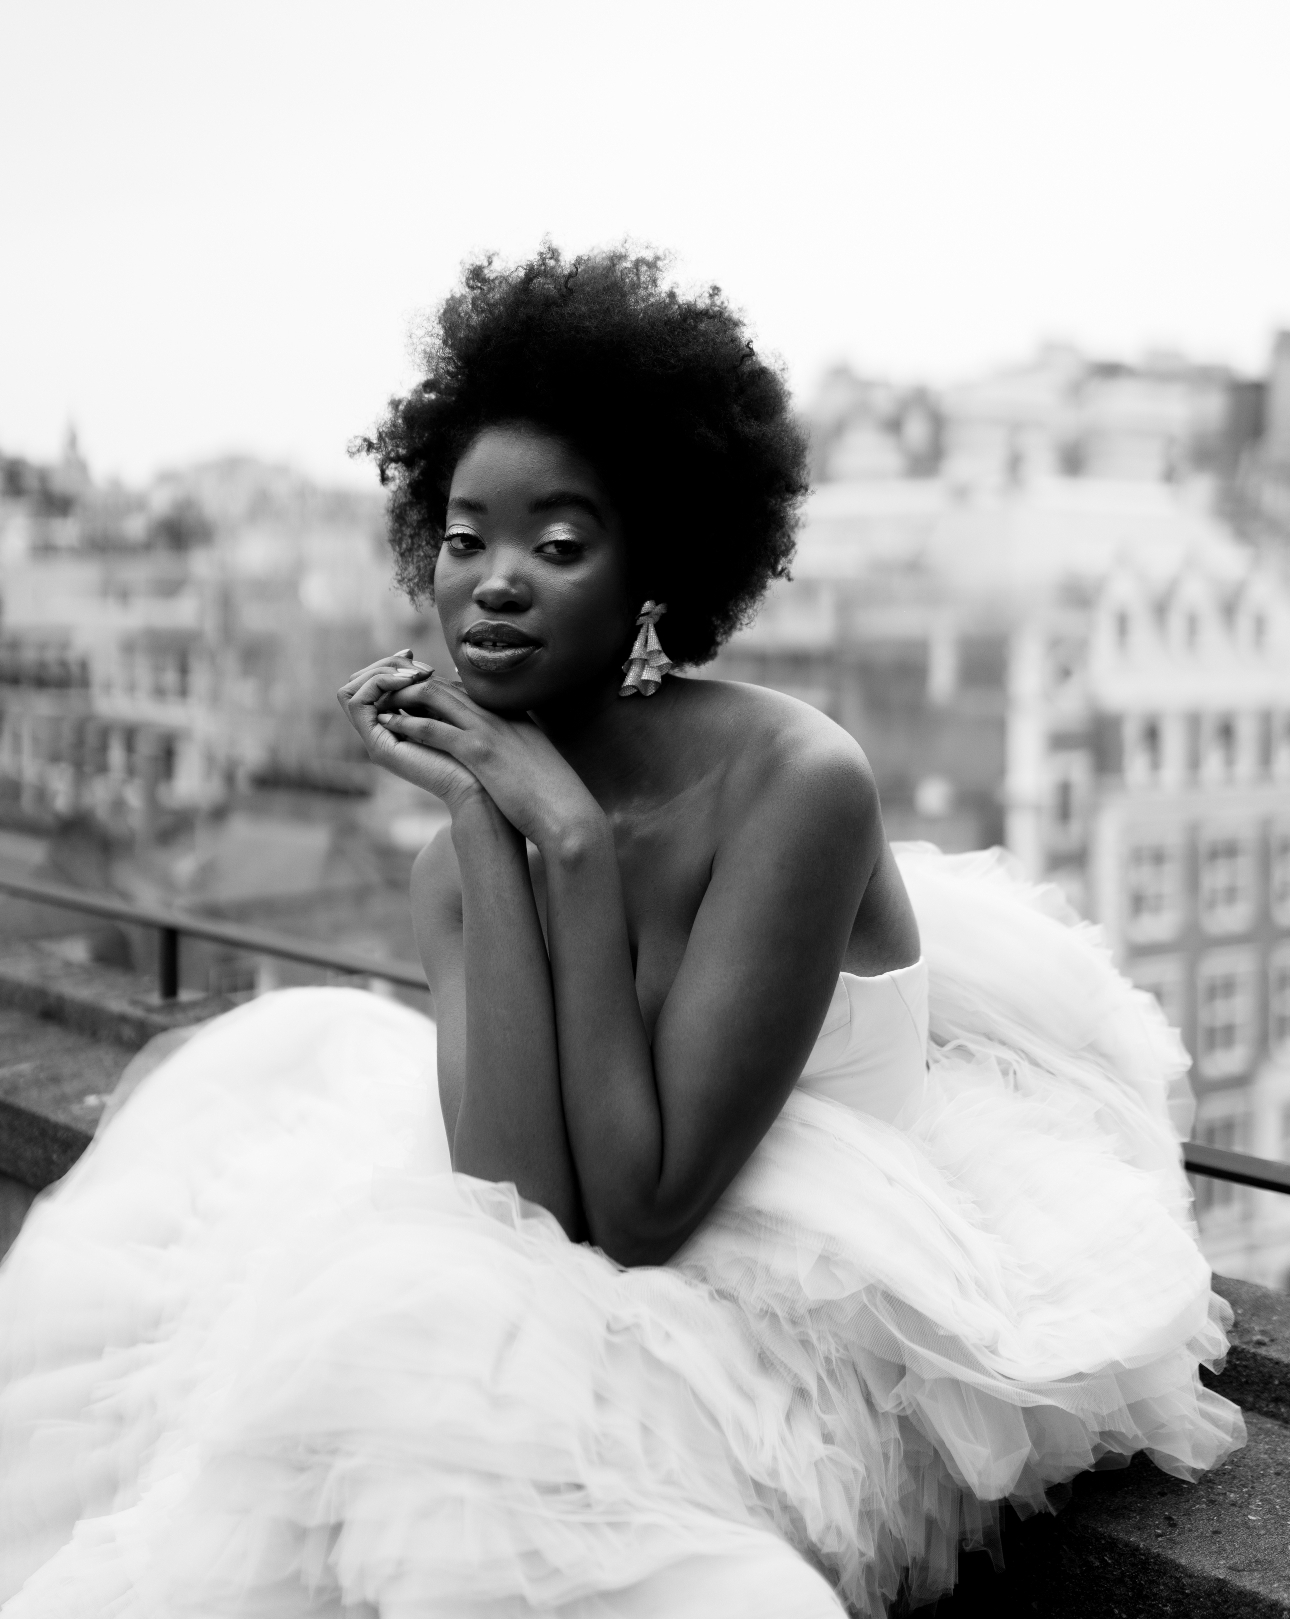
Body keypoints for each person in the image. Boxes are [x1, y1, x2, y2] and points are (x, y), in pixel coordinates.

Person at [0, 247, 1243, 1617]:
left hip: (811, 1295)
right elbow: (514, 1209)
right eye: (465, 535)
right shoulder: (455, 857)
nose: (494, 580)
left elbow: (641, 1218)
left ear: (652, 565)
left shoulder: (795, 784)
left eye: (559, 541)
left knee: (442, 1441)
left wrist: (574, 849)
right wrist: (488, 828)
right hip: (593, 1275)